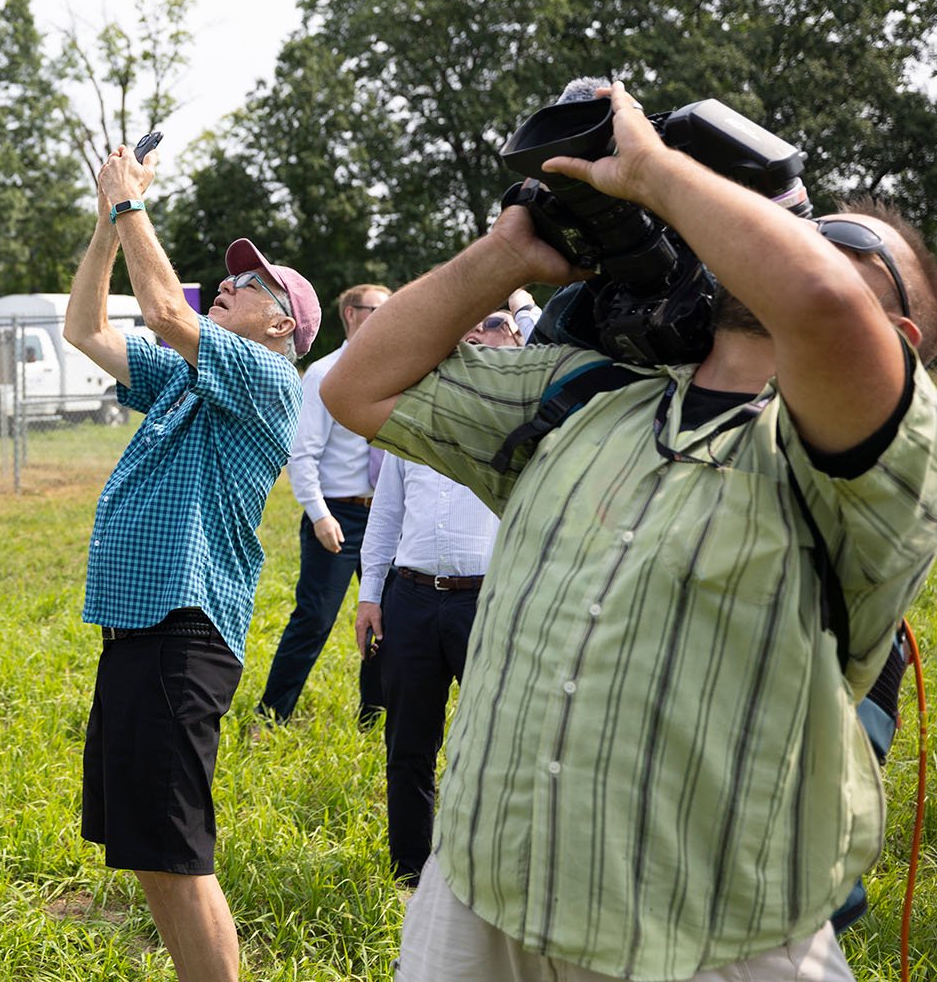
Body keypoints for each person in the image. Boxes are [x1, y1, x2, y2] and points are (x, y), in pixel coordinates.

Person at [323, 81, 937, 982]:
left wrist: (655, 171)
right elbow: (357, 388)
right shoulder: (586, 395)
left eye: (845, 246)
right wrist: (506, 256)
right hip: (484, 895)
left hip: (708, 935)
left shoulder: (879, 464)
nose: (806, 246)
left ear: (902, 334)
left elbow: (820, 305)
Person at [63, 143, 320, 982]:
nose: (233, 285)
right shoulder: (185, 377)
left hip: (186, 630)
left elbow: (169, 307)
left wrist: (131, 201)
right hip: (142, 625)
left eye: (252, 286)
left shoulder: (270, 376)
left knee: (179, 851)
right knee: (149, 850)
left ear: (282, 323)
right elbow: (86, 328)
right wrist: (108, 218)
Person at [349, 326, 508, 887]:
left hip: (486, 603)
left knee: (494, 740)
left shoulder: (506, 426)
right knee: (409, 743)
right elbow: (385, 514)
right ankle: (410, 870)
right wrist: (371, 595)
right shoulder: (409, 428)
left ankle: (484, 865)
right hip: (411, 600)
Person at [256, 283, 391, 726]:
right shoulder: (323, 374)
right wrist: (320, 515)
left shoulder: (400, 369)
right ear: (351, 314)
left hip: (386, 517)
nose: (388, 317)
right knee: (314, 618)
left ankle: (374, 716)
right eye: (377, 309)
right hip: (339, 515)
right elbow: (303, 452)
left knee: (385, 621)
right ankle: (272, 715)